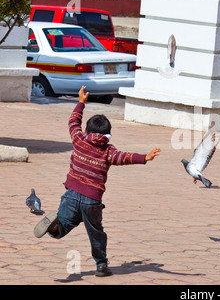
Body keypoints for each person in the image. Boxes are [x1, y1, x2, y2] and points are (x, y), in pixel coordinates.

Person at [33, 86, 161, 277]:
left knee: (63, 226)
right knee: (96, 233)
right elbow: (124, 157)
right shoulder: (108, 151)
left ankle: (53, 226)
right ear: (108, 136)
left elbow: (72, 122)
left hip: (71, 194)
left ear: (86, 130)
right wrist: (145, 157)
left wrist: (81, 103)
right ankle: (101, 265)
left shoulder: (79, 139)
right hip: (91, 200)